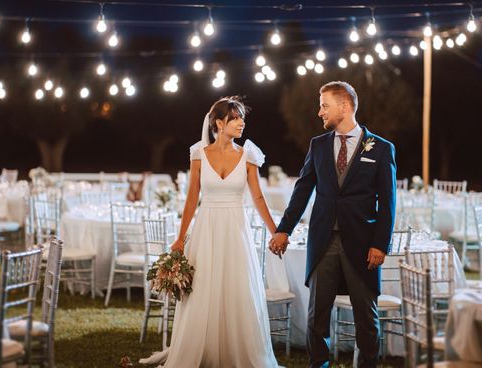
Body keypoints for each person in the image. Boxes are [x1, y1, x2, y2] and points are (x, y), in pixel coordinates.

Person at [140, 96, 280, 368]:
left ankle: (236, 351)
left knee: (236, 287)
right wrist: (180, 238)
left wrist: (276, 232)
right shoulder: (199, 154)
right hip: (207, 227)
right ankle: (200, 349)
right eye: (235, 118)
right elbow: (192, 197)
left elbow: (259, 198)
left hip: (236, 229)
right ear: (219, 123)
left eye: (242, 118)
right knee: (204, 287)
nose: (241, 123)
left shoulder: (248, 155)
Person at [269, 81, 396, 368]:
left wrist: (380, 243)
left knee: (366, 316)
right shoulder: (318, 145)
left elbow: (388, 203)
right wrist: (283, 229)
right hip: (323, 241)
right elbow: (302, 191)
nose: (319, 112)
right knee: (317, 317)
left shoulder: (381, 149)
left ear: (345, 106)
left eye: (325, 105)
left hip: (363, 243)